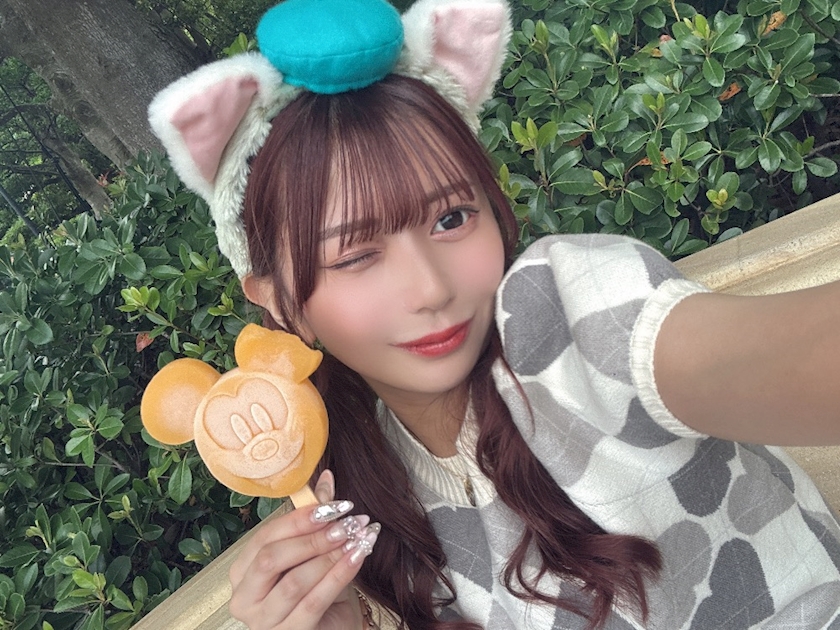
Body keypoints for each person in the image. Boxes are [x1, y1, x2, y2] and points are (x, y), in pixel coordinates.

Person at [146, 0, 840, 628]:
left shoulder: (571, 317)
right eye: (356, 255)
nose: (430, 288)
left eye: (451, 218)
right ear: (279, 302)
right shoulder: (359, 484)